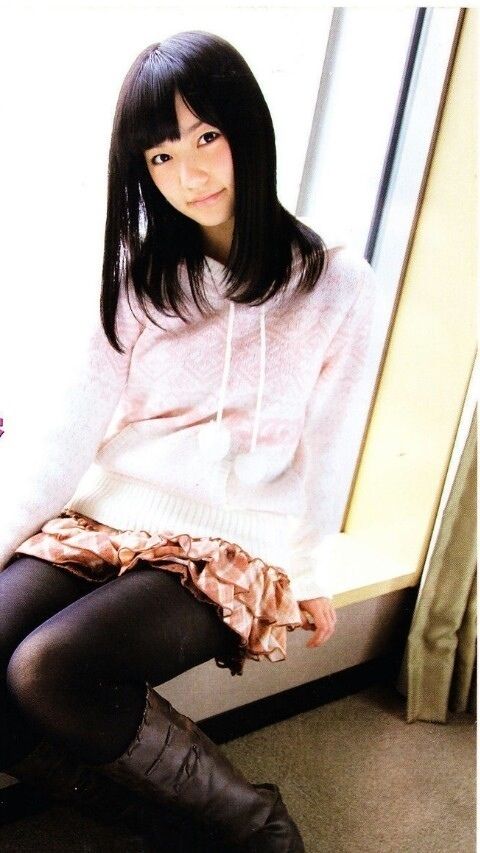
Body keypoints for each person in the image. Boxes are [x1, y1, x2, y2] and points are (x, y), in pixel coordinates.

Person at [0, 30, 378, 851]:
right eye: (162, 156)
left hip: (230, 540)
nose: (190, 174)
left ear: (249, 129)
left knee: (49, 666)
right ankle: (164, 826)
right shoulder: (138, 277)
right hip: (104, 517)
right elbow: (65, 432)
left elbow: (330, 437)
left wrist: (310, 569)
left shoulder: (338, 284)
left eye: (206, 137)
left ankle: (258, 827)